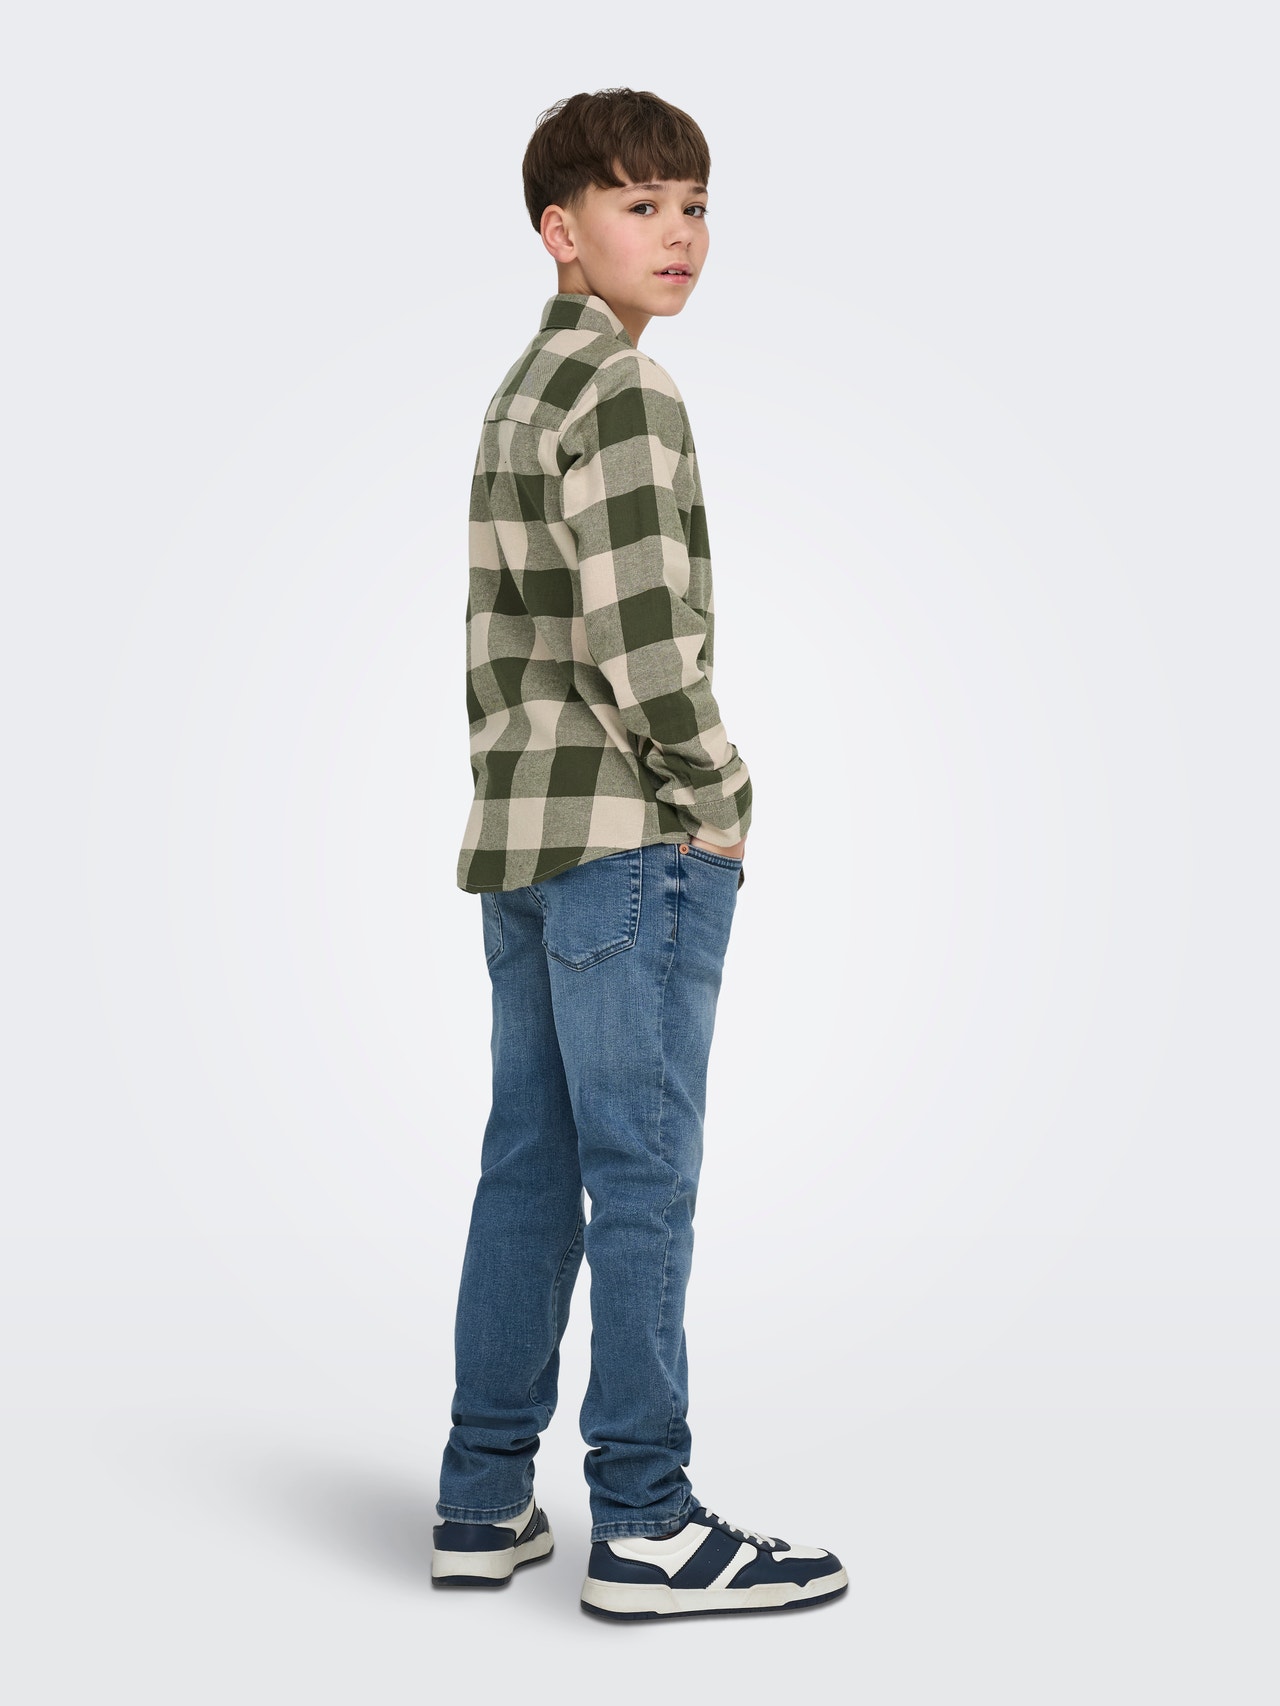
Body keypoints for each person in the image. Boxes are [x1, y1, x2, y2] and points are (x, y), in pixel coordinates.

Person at [432, 87, 846, 1620]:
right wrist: (720, 794)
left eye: (694, 205)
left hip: (525, 839)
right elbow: (646, 645)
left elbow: (509, 641)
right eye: (639, 203)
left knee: (532, 1169)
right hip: (628, 837)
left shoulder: (519, 392)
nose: (679, 234)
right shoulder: (623, 391)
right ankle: (648, 1522)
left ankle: (483, 1498)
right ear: (561, 229)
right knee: (643, 1173)